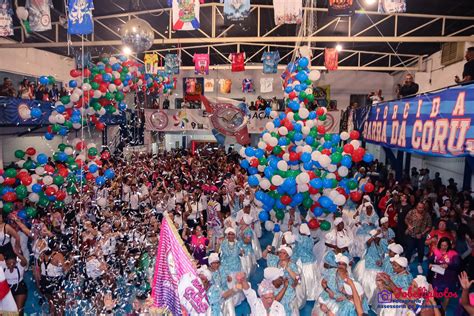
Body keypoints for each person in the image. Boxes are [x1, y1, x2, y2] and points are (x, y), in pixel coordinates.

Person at [429, 237, 460, 310]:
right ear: (439, 245)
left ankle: (443, 309)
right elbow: (431, 260)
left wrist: (448, 265)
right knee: (435, 292)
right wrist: (430, 264)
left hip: (449, 277)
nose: (443, 247)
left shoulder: (453, 253)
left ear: (449, 245)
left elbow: (457, 265)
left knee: (447, 294)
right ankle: (435, 308)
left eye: (445, 245)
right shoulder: (436, 251)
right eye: (442, 245)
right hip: (437, 276)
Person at [405, 202, 432, 274]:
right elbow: (406, 219)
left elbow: (429, 226)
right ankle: (406, 264)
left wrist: (422, 233)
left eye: (422, 208)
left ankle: (419, 264)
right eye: (419, 207)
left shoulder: (427, 215)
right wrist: (409, 226)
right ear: (416, 207)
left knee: (421, 250)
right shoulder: (411, 212)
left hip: (421, 236)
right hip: (411, 235)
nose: (420, 209)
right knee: (409, 249)